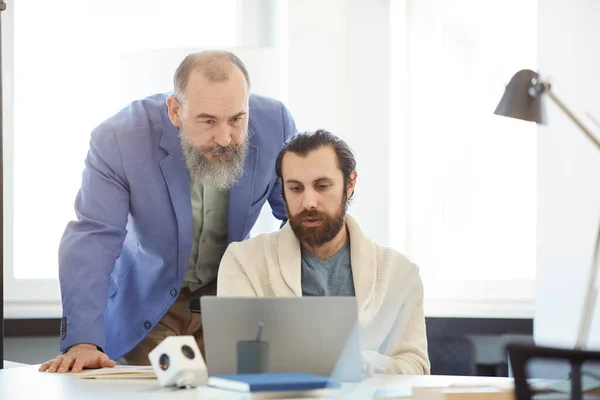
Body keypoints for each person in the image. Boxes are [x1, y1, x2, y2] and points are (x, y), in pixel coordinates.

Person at [39, 50, 297, 373]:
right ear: (175, 111)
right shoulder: (119, 139)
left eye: (236, 119)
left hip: (228, 300)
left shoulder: (277, 124)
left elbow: (300, 219)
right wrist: (83, 341)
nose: (225, 138)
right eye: (207, 121)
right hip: (149, 305)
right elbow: (93, 239)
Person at [217, 129, 430, 375]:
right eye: (296, 188)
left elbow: (415, 366)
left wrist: (369, 366)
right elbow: (235, 361)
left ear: (350, 184)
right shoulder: (245, 261)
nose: (309, 202)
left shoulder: (399, 273)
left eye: (322, 186)